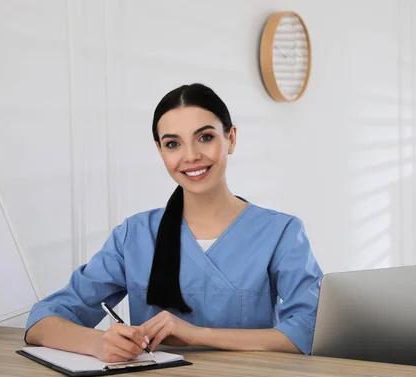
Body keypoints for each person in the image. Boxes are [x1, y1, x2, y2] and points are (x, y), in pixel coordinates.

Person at [25, 83, 323, 362]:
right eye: (173, 144)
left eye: (205, 137)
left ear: (231, 138)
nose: (190, 156)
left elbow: (308, 330)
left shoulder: (281, 233)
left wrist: (195, 334)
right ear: (160, 151)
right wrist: (99, 343)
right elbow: (43, 319)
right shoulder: (134, 236)